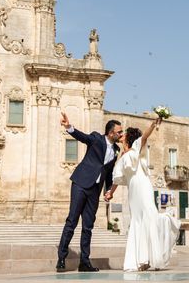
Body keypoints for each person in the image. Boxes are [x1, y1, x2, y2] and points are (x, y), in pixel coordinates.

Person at [105, 119, 180, 271]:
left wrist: (152, 125)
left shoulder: (136, 148)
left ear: (129, 138)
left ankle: (151, 258)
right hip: (133, 192)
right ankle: (141, 260)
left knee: (148, 218)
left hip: (143, 187)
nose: (121, 135)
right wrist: (110, 192)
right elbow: (118, 179)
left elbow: (144, 137)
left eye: (124, 133)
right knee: (137, 222)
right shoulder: (121, 156)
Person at [56, 113, 122, 273]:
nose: (121, 134)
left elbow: (108, 172)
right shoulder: (96, 138)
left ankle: (84, 262)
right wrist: (68, 127)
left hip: (95, 190)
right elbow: (82, 137)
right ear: (111, 132)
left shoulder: (116, 150)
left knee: (88, 226)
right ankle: (61, 258)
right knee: (72, 221)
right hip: (81, 183)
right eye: (119, 132)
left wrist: (108, 191)